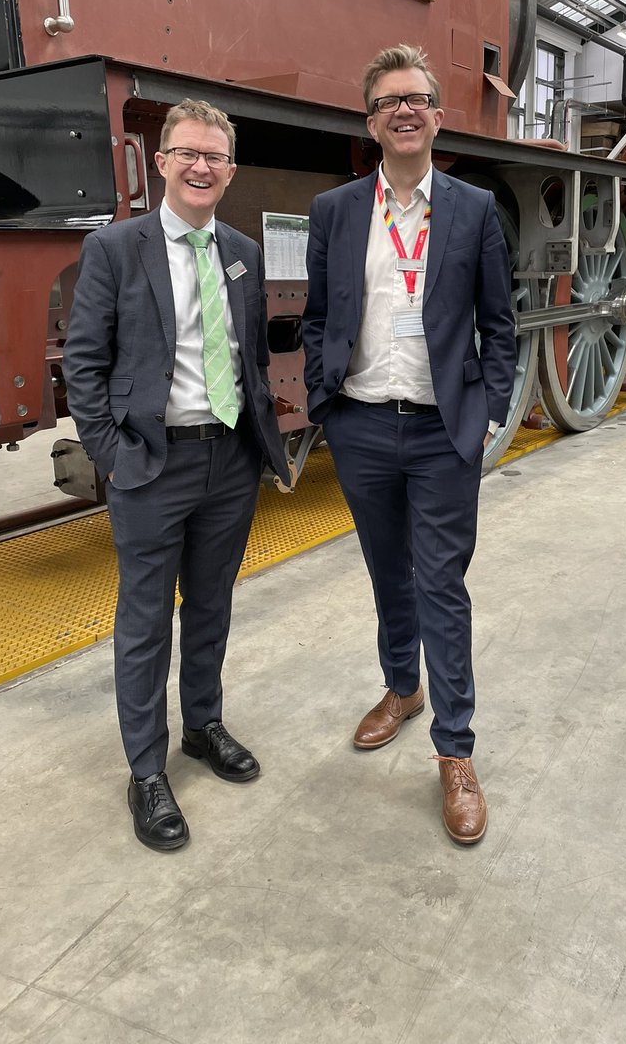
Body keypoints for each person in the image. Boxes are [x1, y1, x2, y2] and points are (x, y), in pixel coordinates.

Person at [302, 44, 516, 845]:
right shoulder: (335, 211)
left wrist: (489, 411)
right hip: (360, 423)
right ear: (371, 121)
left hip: (441, 431)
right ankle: (402, 687)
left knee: (442, 586)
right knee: (387, 571)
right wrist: (326, 403)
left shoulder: (471, 208)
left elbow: (501, 323)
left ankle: (454, 752)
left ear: (436, 114)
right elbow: (322, 312)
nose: (404, 110)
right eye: (388, 100)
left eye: (417, 98)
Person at [64, 98, 290, 852]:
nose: (201, 167)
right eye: (187, 153)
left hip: (229, 459)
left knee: (213, 606)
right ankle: (146, 770)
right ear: (160, 163)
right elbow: (85, 366)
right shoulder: (116, 249)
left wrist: (260, 444)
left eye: (215, 157)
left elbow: (250, 358)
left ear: (230, 172)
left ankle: (202, 726)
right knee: (144, 620)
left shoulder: (242, 251)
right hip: (151, 464)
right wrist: (113, 455)